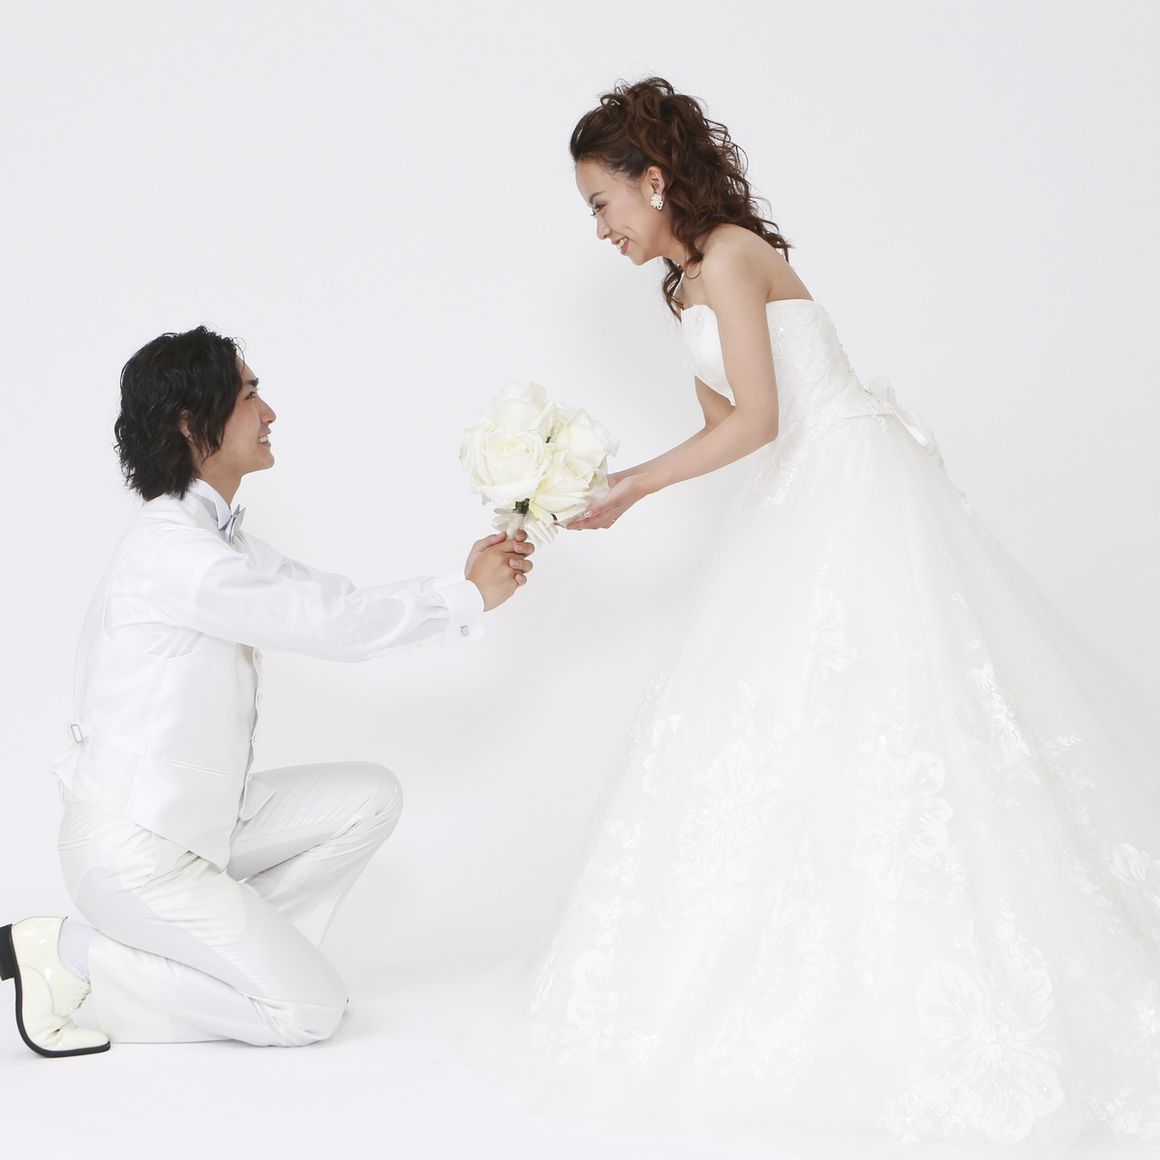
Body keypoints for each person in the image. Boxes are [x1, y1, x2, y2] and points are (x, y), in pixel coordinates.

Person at [520, 77, 1160, 1149]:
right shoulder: (684, 287)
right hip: (797, 491)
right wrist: (604, 482)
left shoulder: (731, 255)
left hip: (851, 479)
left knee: (904, 709)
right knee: (795, 721)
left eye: (601, 203)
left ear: (652, 180)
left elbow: (764, 420)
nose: (599, 228)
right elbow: (726, 424)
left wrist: (631, 485)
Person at [0, 326, 534, 1055]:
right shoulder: (173, 553)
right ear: (191, 422)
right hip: (136, 853)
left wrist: (459, 582)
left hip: (195, 830)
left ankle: (253, 967)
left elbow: (334, 599)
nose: (270, 412)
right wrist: (466, 600)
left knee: (370, 797)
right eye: (250, 395)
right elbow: (327, 627)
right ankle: (71, 957)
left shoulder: (221, 542)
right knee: (308, 1013)